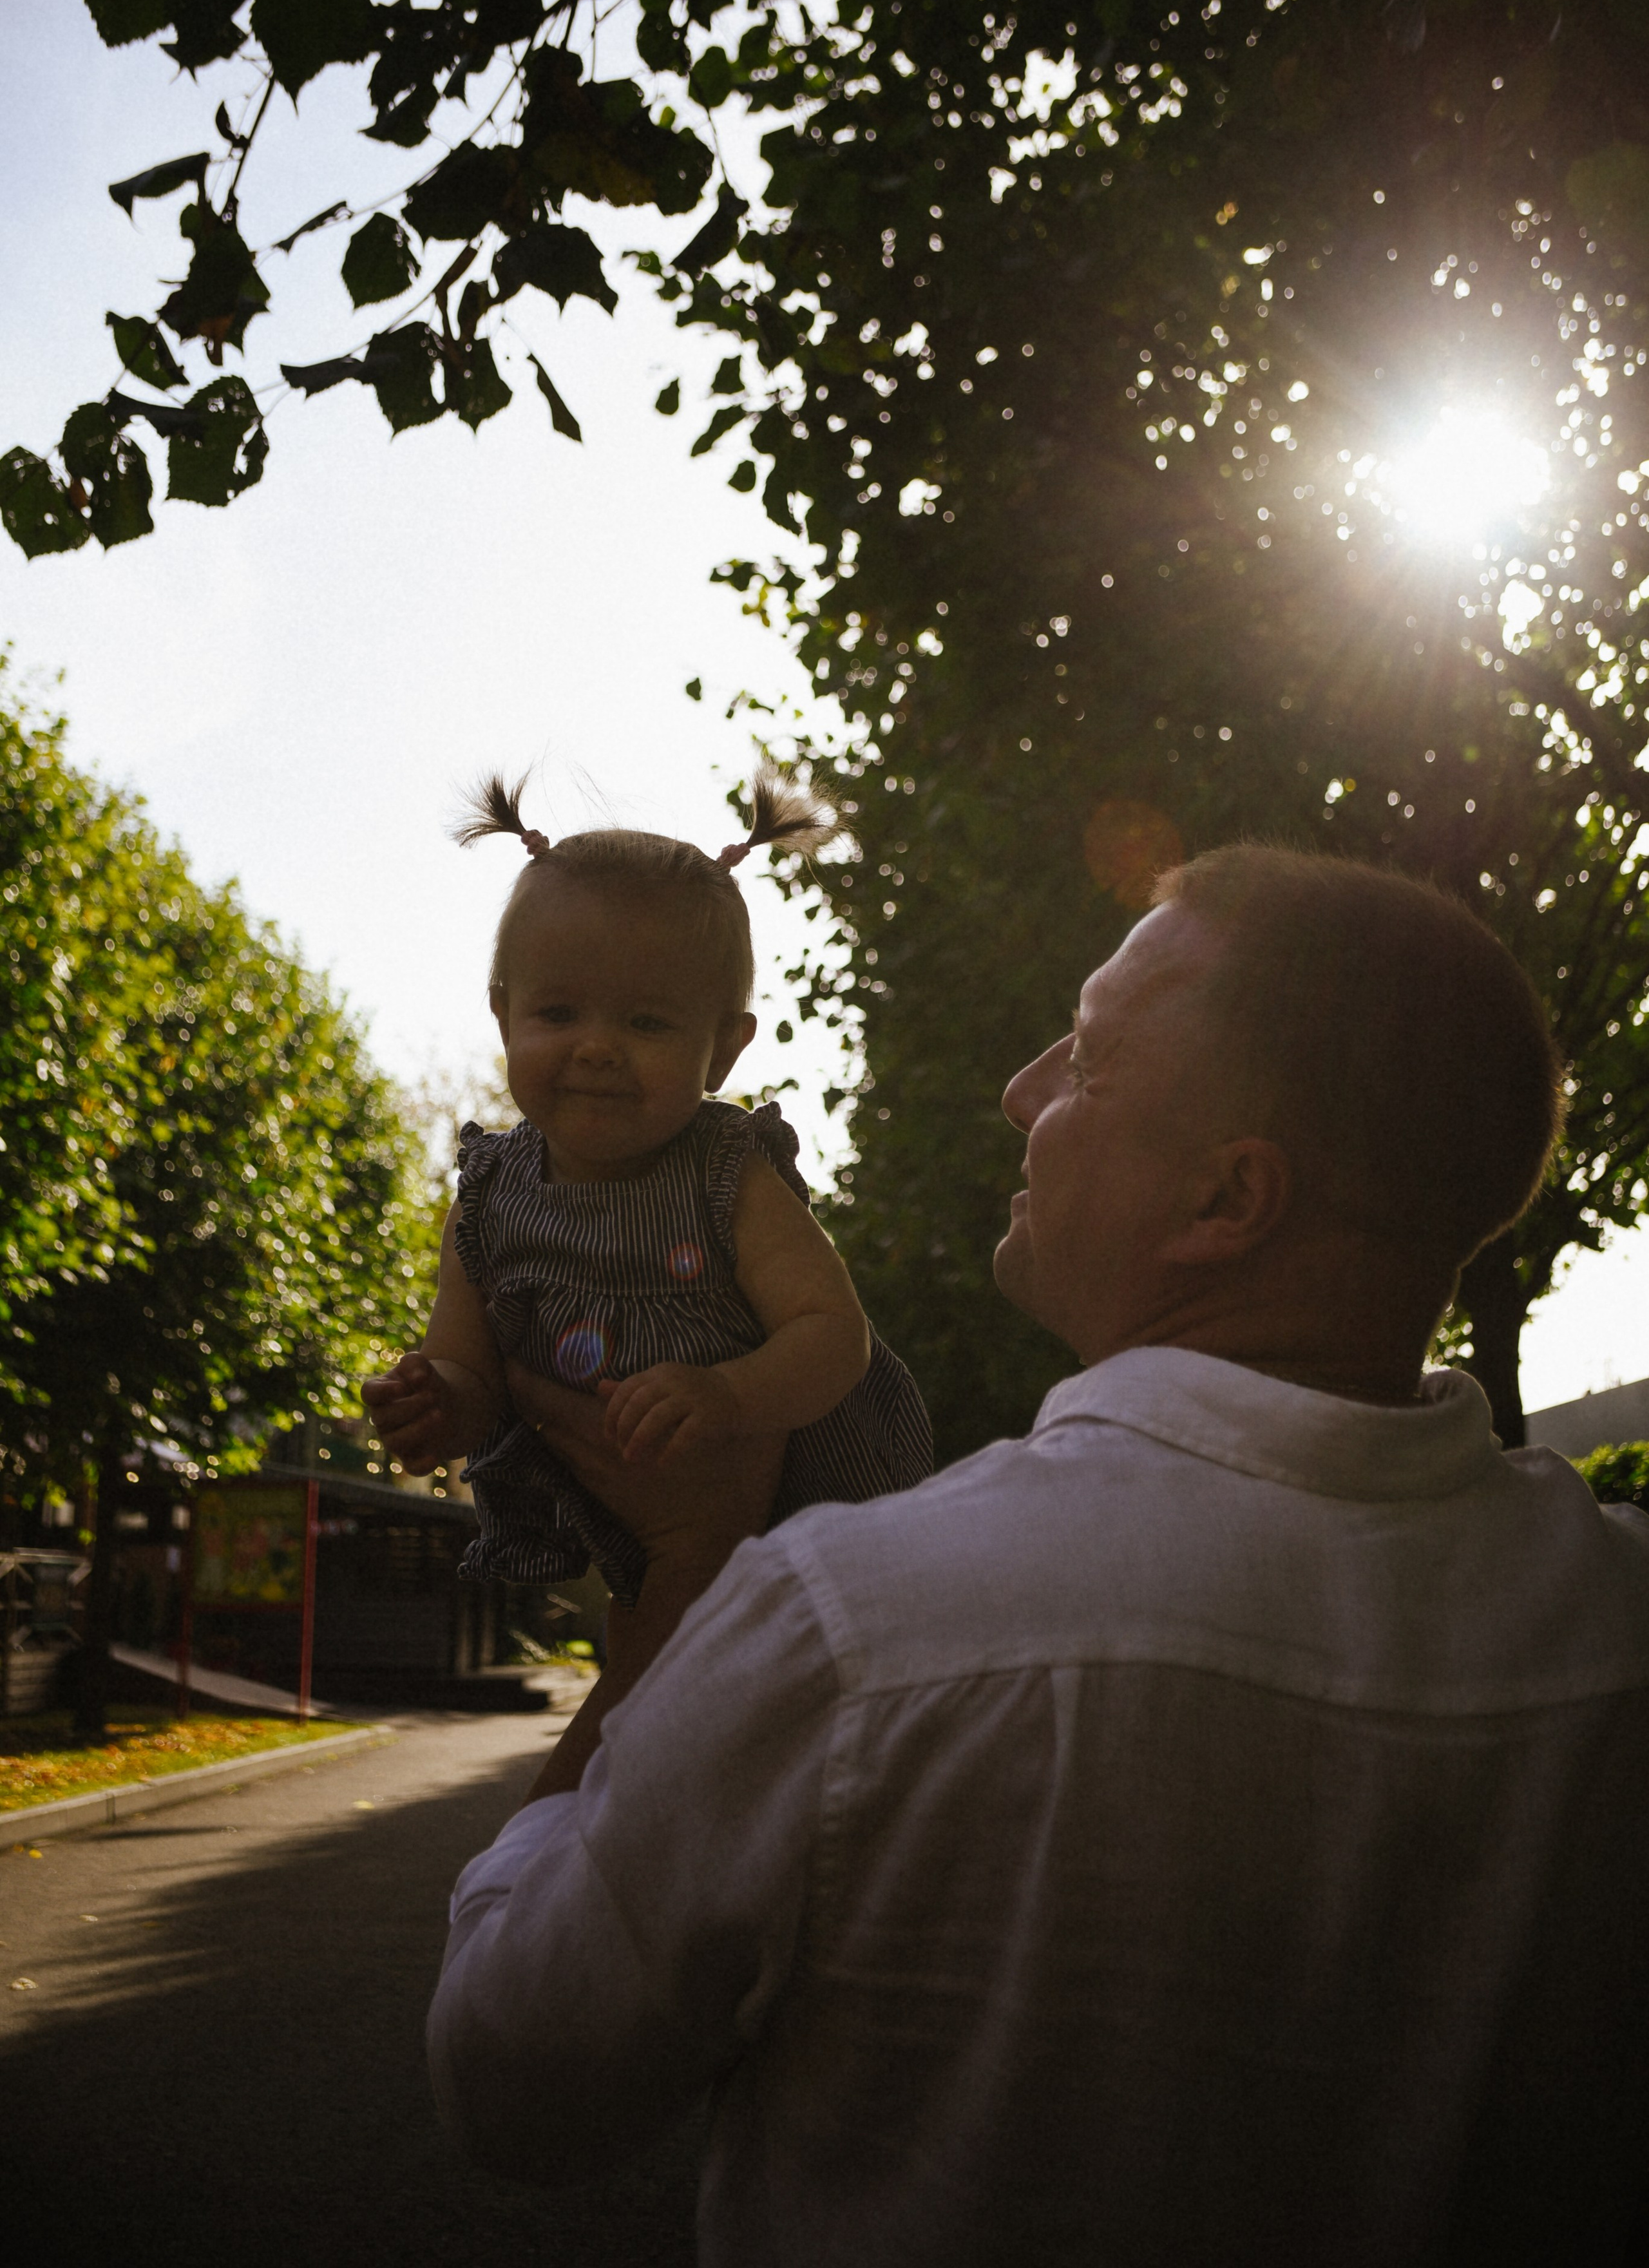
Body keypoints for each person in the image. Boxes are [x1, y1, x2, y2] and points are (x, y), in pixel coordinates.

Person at [428, 847, 1649, 2267]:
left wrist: (669, 1593)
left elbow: (509, 2075)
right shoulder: (1615, 1617)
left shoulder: (852, 1626)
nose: (1018, 1090)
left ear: (1223, 1203)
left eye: (1086, 1058)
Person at [363, 766, 930, 1777]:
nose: (596, 1049)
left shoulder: (729, 1174)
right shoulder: (489, 1196)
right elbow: (469, 1368)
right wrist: (430, 1403)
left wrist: (727, 1393)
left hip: (789, 1506)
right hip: (633, 1512)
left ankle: (577, 1824)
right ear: (503, 1015)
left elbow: (831, 1336)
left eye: (648, 1024)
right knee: (655, 1666)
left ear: (724, 1048)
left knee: (652, 1704)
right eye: (560, 1013)